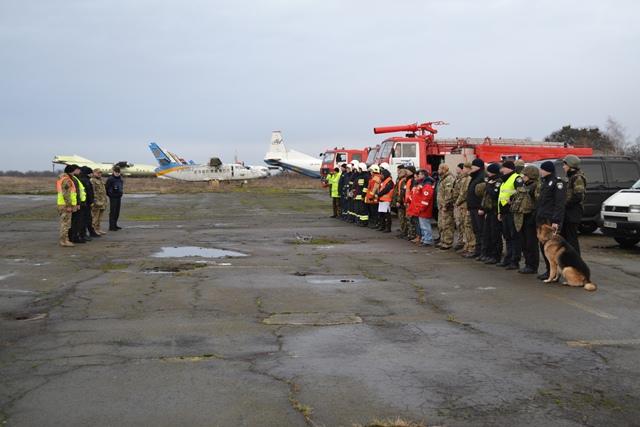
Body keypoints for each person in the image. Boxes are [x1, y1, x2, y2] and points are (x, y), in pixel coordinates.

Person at [535, 161, 566, 281]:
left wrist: (556, 221)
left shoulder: (558, 183)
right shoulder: (545, 182)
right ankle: (549, 271)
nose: (540, 171)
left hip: (550, 220)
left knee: (552, 248)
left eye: (542, 169)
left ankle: (554, 273)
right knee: (544, 247)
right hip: (542, 219)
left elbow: (559, 204)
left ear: (547, 170)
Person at [512, 165, 540, 274]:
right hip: (522, 217)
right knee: (524, 242)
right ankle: (528, 264)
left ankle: (532, 266)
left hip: (530, 217)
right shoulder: (525, 186)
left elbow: (538, 202)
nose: (523, 176)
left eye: (525, 175)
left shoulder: (535, 186)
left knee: (531, 243)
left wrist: (534, 216)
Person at [497, 160, 521, 269]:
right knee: (507, 236)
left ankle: (514, 260)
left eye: (504, 167)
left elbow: (520, 193)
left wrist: (512, 200)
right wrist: (499, 211)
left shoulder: (516, 178)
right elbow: (501, 197)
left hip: (512, 212)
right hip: (504, 212)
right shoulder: (504, 180)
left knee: (514, 236)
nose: (501, 170)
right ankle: (508, 258)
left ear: (509, 168)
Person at [561, 155, 586, 254]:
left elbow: (578, 196)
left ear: (571, 166)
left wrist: (564, 204)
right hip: (567, 211)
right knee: (565, 237)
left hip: (573, 211)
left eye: (565, 165)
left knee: (571, 239)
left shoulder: (577, 177)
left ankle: (575, 262)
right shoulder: (570, 176)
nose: (563, 167)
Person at [479, 163, 502, 264]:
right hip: (488, 210)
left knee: (495, 234)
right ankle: (487, 253)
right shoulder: (490, 181)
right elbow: (485, 197)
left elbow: (494, 194)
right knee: (487, 233)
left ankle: (495, 255)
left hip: (495, 210)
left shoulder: (498, 181)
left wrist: (489, 186)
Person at [407, 169, 435, 246]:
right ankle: (424, 239)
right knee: (423, 226)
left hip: (424, 210)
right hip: (421, 209)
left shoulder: (427, 185)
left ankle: (427, 240)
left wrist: (421, 208)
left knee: (425, 226)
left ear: (423, 175)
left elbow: (426, 198)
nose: (418, 176)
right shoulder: (423, 184)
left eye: (419, 175)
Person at [466, 158, 486, 259]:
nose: (471, 168)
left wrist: (481, 207)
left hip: (478, 208)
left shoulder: (481, 177)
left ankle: (482, 252)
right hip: (473, 208)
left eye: (473, 166)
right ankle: (478, 251)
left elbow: (484, 195)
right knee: (476, 231)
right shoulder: (475, 177)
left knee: (481, 231)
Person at [56, 165, 79, 247]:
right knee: (65, 223)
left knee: (65, 223)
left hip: (62, 204)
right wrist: (69, 206)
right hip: (65, 205)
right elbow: (67, 194)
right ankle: (64, 240)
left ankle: (65, 240)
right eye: (73, 171)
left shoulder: (62, 178)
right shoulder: (67, 180)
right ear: (71, 171)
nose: (74, 173)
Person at [436, 163, 456, 250]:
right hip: (441, 206)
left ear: (444, 169)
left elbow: (449, 194)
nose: (438, 170)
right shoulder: (442, 179)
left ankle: (447, 242)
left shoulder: (449, 179)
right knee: (441, 224)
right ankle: (442, 240)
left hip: (446, 207)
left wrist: (446, 205)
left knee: (447, 224)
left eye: (439, 169)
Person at [456, 162, 474, 256]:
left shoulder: (468, 179)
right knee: (463, 225)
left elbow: (463, 193)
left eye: (464, 168)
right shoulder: (464, 178)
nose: (463, 170)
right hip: (463, 205)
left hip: (465, 205)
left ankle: (470, 246)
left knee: (467, 226)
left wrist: (457, 202)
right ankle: (466, 245)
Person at [79, 166, 99, 239]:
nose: (92, 174)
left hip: (88, 203)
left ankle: (90, 232)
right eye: (90, 173)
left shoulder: (87, 180)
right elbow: (86, 192)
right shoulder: (84, 180)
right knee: (84, 219)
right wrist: (90, 201)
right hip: (85, 203)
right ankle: (83, 234)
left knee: (88, 219)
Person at [69, 165, 86, 243]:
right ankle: (74, 237)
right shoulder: (74, 179)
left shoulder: (76, 178)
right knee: (76, 221)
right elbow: (76, 193)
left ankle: (75, 236)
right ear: (75, 170)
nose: (80, 172)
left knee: (78, 221)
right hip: (77, 203)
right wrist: (77, 203)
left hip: (80, 203)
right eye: (78, 170)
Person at [452, 163, 466, 251]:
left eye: (457, 168)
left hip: (461, 204)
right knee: (459, 224)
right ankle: (460, 241)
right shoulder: (458, 178)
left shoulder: (464, 179)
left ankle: (464, 242)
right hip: (457, 204)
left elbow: (462, 193)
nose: (456, 169)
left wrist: (457, 202)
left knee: (463, 224)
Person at [376, 167, 394, 233]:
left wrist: (379, 194)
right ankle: (382, 226)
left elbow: (386, 190)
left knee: (387, 215)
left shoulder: (389, 182)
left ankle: (388, 228)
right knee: (381, 215)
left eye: (382, 174)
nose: (381, 175)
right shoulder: (384, 181)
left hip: (386, 200)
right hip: (382, 200)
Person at [106, 166, 124, 231]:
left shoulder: (120, 179)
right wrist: (111, 195)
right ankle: (111, 226)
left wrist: (121, 193)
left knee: (117, 212)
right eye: (116, 172)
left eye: (118, 172)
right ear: (113, 172)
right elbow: (107, 188)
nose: (117, 173)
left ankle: (115, 225)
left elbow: (121, 187)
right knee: (113, 212)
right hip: (113, 197)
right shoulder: (110, 179)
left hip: (118, 197)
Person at [90, 168, 108, 235]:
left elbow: (103, 191)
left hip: (102, 202)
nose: (99, 174)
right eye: (98, 173)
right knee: (95, 217)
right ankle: (94, 230)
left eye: (100, 173)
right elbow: (92, 192)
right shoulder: (92, 180)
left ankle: (98, 228)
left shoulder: (101, 180)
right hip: (96, 202)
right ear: (94, 173)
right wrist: (94, 201)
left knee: (100, 218)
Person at [393, 167, 408, 237]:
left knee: (403, 218)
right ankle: (403, 231)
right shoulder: (400, 180)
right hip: (400, 201)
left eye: (400, 172)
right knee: (401, 217)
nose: (398, 173)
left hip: (402, 202)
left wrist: (399, 201)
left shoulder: (403, 181)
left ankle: (404, 232)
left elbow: (402, 192)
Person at [365, 164, 382, 229]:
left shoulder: (376, 178)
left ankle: (376, 223)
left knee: (374, 212)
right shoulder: (374, 177)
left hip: (373, 198)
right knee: (373, 211)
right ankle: (375, 223)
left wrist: (371, 196)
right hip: (372, 198)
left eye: (371, 171)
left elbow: (375, 189)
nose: (370, 172)